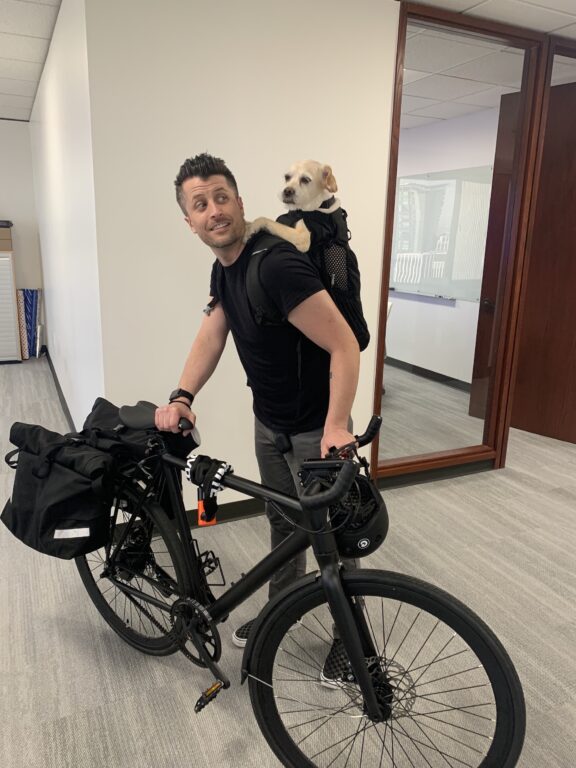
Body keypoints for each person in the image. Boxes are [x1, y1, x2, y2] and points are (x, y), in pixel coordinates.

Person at [155, 153, 359, 682]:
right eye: (200, 204)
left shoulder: (276, 264)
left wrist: (337, 426)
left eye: (221, 197)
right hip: (269, 422)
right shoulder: (225, 268)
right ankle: (280, 613)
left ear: (241, 201)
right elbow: (212, 332)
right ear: (189, 220)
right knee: (283, 523)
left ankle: (352, 639)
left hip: (316, 424)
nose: (214, 211)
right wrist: (182, 394)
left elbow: (344, 347)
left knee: (332, 536)